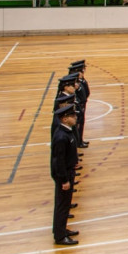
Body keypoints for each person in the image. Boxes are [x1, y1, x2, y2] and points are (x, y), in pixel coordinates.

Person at [50, 104, 80, 245]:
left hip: (69, 171)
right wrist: (64, 180)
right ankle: (60, 236)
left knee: (65, 204)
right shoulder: (61, 136)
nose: (75, 118)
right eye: (72, 116)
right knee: (62, 205)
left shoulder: (67, 132)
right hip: (64, 174)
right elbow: (59, 161)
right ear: (65, 119)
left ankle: (61, 229)